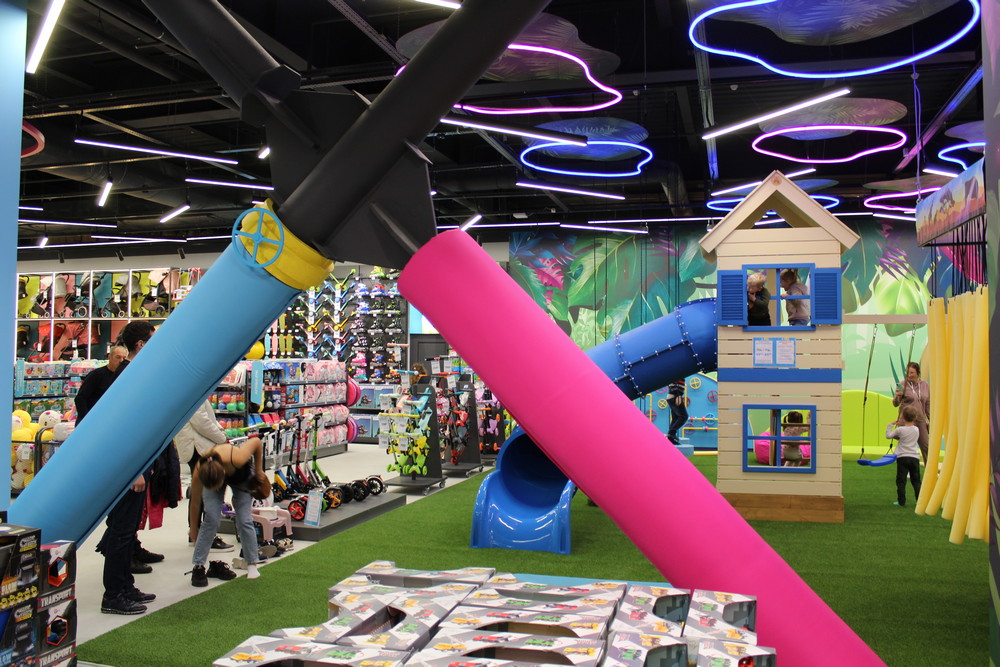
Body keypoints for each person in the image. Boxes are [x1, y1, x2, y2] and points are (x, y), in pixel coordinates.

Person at [96, 321, 157, 615]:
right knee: (121, 531)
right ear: (141, 345)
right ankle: (113, 595)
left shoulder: (133, 373)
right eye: (152, 339)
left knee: (127, 530)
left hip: (136, 464)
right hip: (128, 467)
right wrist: (135, 471)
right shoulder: (126, 376)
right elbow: (123, 428)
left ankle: (125, 585)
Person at [188, 437, 266, 586]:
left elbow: (256, 442)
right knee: (211, 518)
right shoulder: (200, 471)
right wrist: (193, 528)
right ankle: (198, 566)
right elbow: (195, 503)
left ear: (223, 474)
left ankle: (252, 563)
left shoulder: (237, 457)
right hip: (214, 475)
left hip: (240, 476)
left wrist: (258, 470)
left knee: (244, 519)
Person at [174, 400, 235, 552]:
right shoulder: (193, 394)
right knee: (207, 492)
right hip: (198, 447)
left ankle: (196, 533)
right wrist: (221, 438)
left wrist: (219, 431)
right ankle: (204, 536)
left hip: (196, 446)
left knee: (200, 492)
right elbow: (201, 421)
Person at [73, 344, 127, 424]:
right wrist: (86, 419)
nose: (121, 361)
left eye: (124, 358)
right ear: (109, 357)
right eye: (117, 357)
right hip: (92, 420)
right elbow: (80, 398)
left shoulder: (125, 377)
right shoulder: (96, 375)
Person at [892, 362, 930, 462]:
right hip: (906, 420)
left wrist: (930, 419)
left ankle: (929, 469)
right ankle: (904, 467)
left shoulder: (925, 385)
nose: (909, 375)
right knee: (905, 446)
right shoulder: (902, 385)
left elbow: (927, 403)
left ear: (918, 373)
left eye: (912, 372)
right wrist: (898, 396)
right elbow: (895, 404)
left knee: (926, 445)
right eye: (907, 372)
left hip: (920, 419)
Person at [887, 405, 921, 507]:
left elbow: (888, 436)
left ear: (902, 417)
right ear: (915, 417)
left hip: (902, 457)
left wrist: (890, 425)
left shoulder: (900, 430)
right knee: (916, 480)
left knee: (901, 480)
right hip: (914, 457)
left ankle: (901, 501)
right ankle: (919, 501)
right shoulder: (916, 429)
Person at [665, 378, 687, 446]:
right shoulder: (679, 373)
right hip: (674, 396)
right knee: (684, 416)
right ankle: (671, 433)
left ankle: (671, 437)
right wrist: (678, 396)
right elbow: (674, 384)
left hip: (672, 396)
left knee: (676, 417)